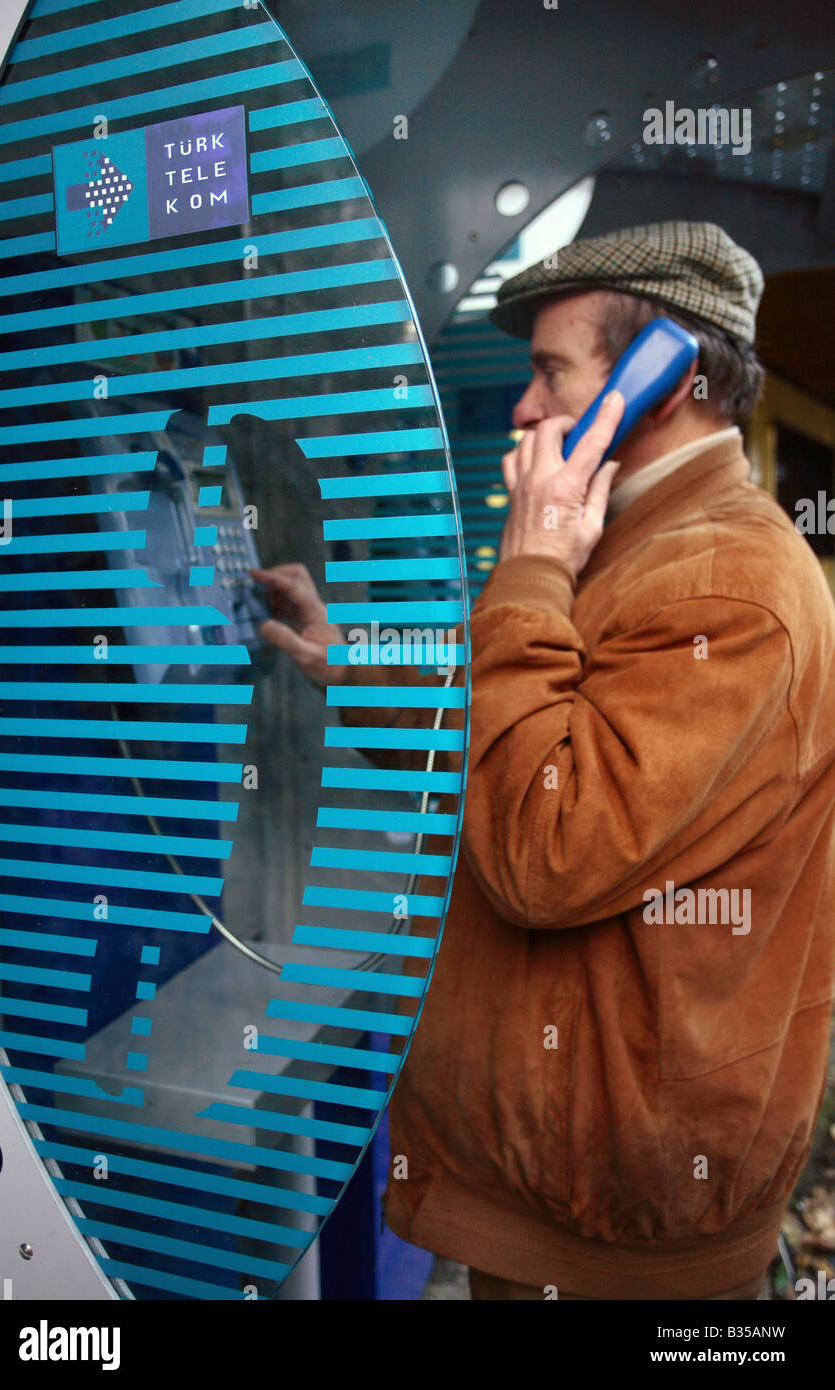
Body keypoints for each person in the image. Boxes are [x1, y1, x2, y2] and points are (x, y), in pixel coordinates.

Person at [252, 221, 835, 1300]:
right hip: (559, 1202)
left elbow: (547, 842)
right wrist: (349, 651)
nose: (523, 409)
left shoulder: (724, 582)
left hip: (612, 1244)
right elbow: (520, 712)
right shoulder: (636, 546)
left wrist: (526, 567)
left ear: (661, 382)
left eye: (549, 374)